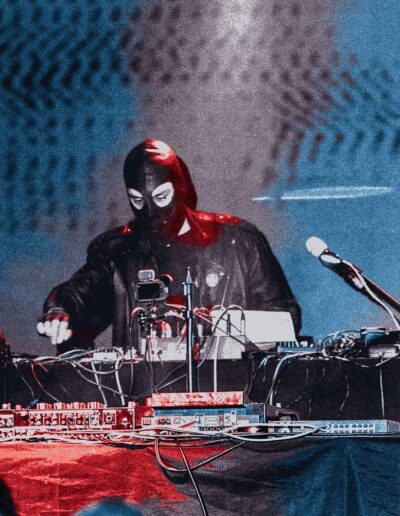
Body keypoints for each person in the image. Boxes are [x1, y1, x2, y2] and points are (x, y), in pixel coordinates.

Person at [37, 139, 301, 350]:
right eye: (137, 200)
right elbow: (81, 294)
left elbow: (284, 316)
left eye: (162, 196)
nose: (151, 211)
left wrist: (234, 331)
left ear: (180, 187)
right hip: (144, 392)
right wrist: (59, 310)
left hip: (230, 386)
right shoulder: (117, 251)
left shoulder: (240, 242)